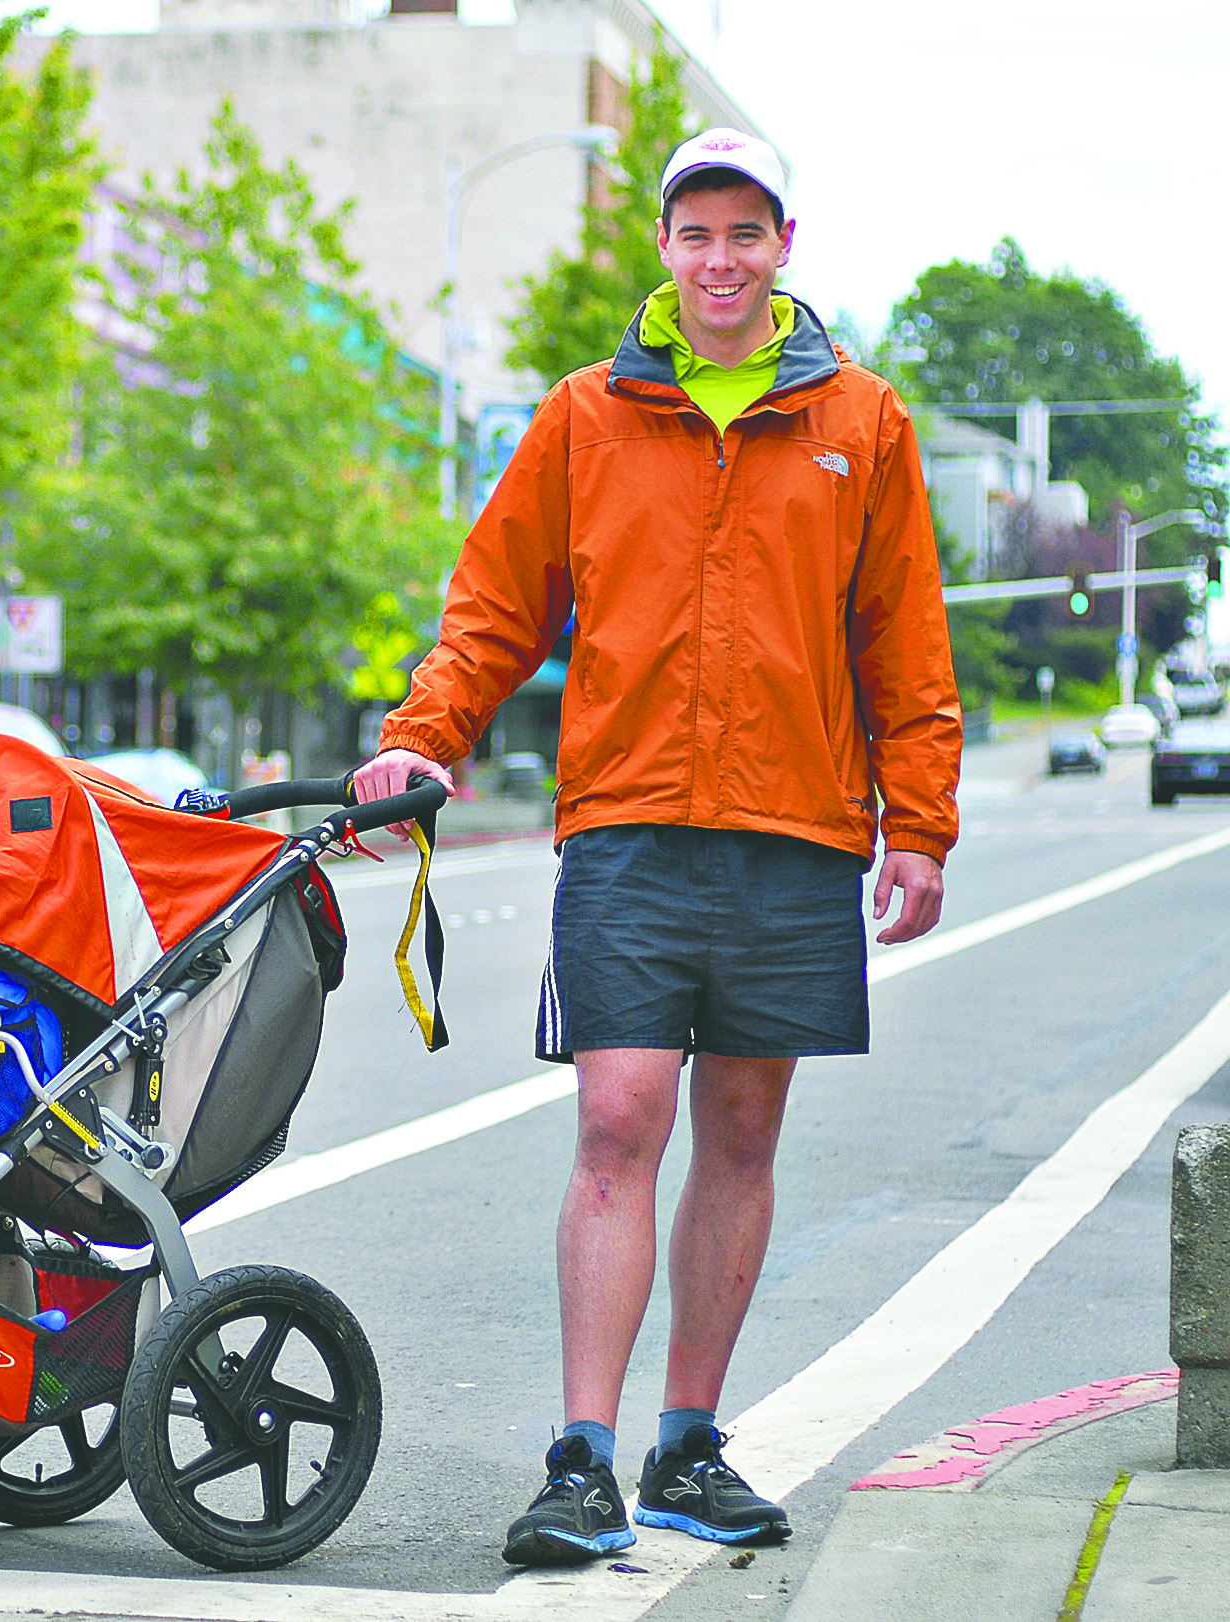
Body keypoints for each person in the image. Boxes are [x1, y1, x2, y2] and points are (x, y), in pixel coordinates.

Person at [354, 127, 961, 1566]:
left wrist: (919, 821)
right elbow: (497, 602)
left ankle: (691, 1440)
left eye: (747, 234)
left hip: (794, 831)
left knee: (742, 1133)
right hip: (627, 825)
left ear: (783, 247)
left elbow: (905, 640)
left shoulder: (861, 421)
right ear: (667, 247)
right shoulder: (585, 416)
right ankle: (582, 1457)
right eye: (697, 234)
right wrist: (427, 730)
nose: (721, 260)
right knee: (619, 1116)